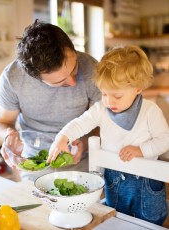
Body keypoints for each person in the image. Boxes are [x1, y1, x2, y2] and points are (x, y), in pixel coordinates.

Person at [47, 45, 169, 226]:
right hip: (114, 181)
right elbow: (81, 123)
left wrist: (141, 150)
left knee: (150, 223)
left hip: (146, 185)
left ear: (137, 89)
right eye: (104, 94)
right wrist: (62, 137)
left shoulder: (150, 111)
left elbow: (165, 140)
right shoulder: (101, 109)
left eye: (117, 96)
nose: (109, 101)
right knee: (117, 220)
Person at [0, 20, 101, 181]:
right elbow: (1, 122)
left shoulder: (92, 68)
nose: (73, 82)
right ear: (34, 77)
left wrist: (84, 143)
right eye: (60, 82)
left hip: (84, 164)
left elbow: (105, 121)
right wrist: (8, 137)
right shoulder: (12, 77)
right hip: (35, 164)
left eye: (74, 68)